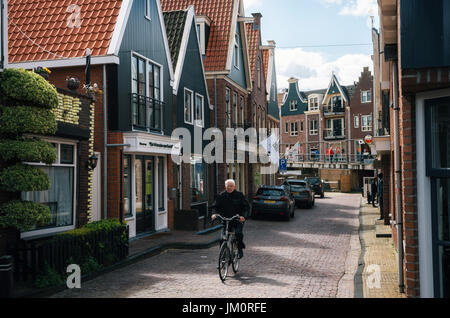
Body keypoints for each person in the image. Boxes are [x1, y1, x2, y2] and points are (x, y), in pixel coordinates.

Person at [211, 179, 250, 259]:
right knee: (222, 238)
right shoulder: (221, 196)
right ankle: (223, 256)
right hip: (225, 220)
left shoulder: (239, 195)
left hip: (237, 220)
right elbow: (215, 206)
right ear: (225, 186)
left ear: (234, 187)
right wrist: (214, 214)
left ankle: (239, 248)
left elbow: (246, 207)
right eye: (228, 186)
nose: (229, 187)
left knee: (238, 233)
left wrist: (243, 216)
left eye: (231, 186)